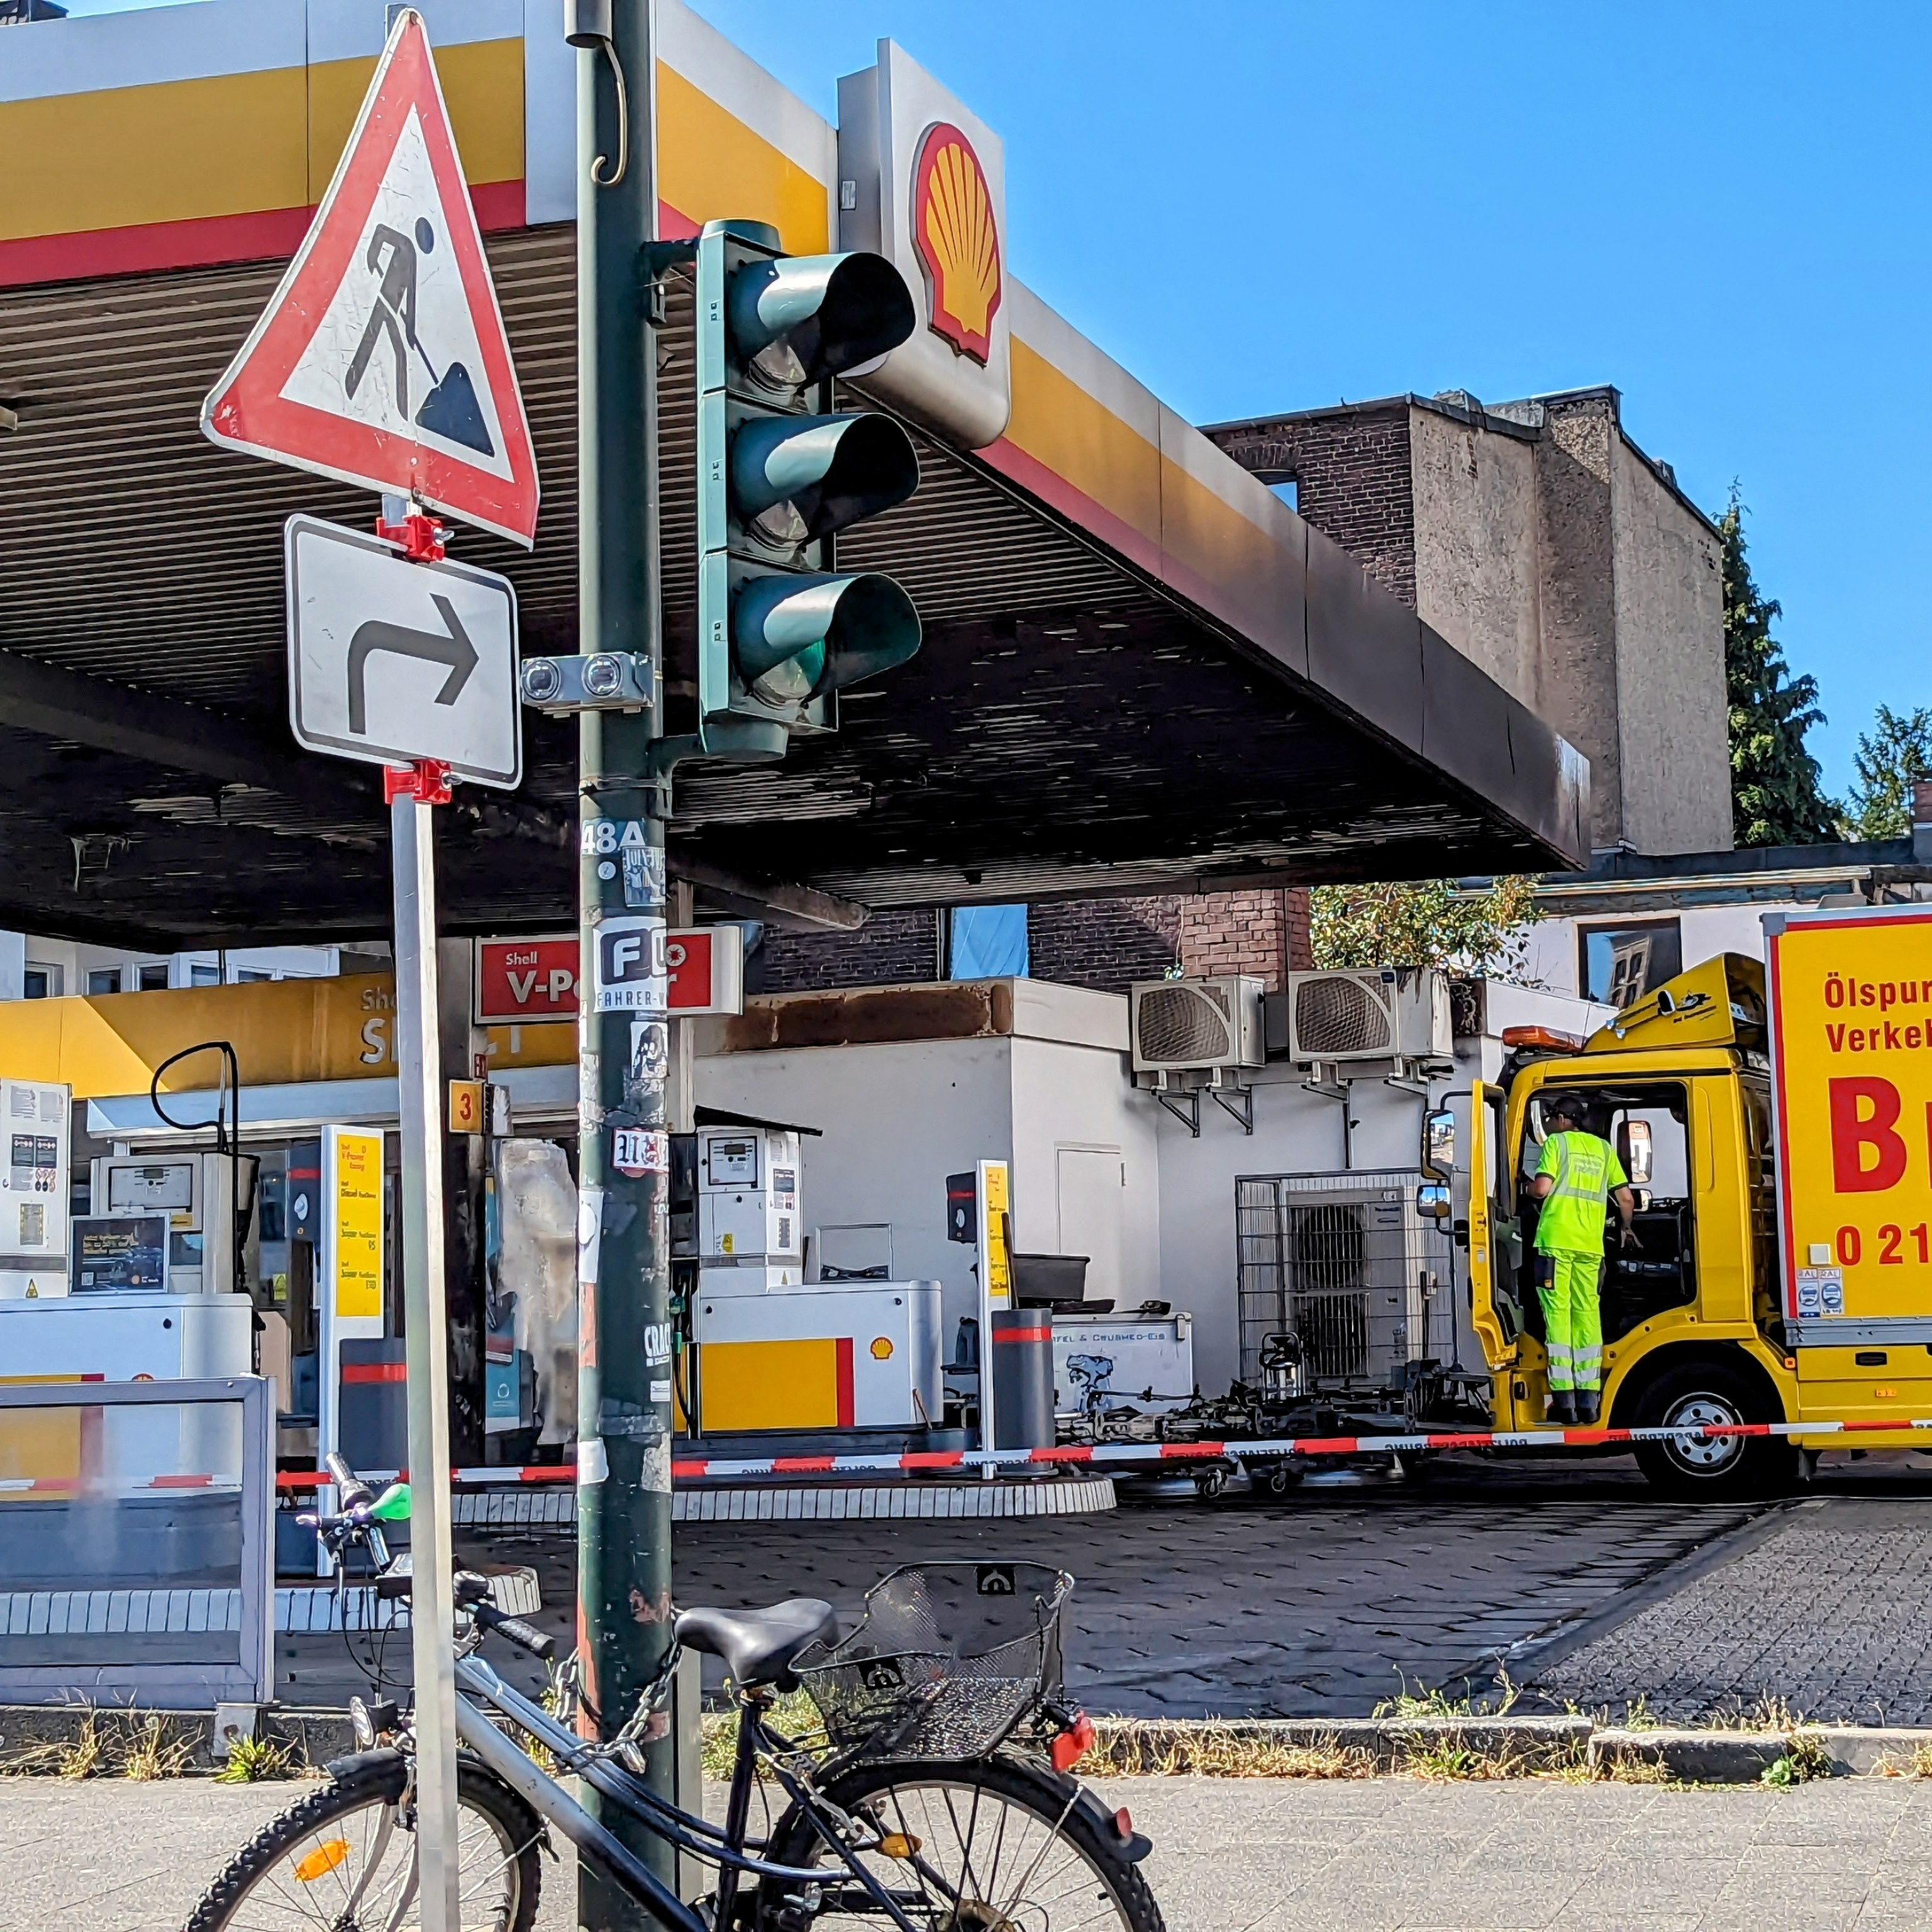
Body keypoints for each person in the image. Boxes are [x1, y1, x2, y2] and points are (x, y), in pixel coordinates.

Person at [1530, 1094, 1637, 1425]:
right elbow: (1625, 1197)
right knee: (1587, 1315)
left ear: (1562, 1119)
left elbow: (1542, 1189)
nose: (1549, 1126)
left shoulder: (1556, 1145)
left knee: (1558, 1316)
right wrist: (1626, 1229)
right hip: (1591, 1247)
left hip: (1557, 1243)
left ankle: (1565, 1403)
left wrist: (1528, 1188)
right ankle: (1589, 1402)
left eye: (1550, 1120)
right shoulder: (1604, 1150)